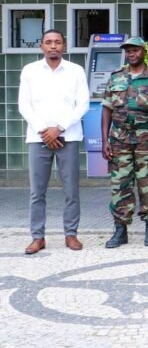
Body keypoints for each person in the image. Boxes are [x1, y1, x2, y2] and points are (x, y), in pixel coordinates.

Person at [19, 29, 89, 255]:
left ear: (64, 46)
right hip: (38, 138)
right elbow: (24, 105)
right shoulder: (30, 71)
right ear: (41, 46)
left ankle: (71, 234)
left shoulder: (76, 71)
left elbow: (82, 104)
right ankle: (37, 237)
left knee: (71, 190)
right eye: (48, 42)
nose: (53, 46)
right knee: (37, 191)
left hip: (67, 137)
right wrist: (44, 131)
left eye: (57, 42)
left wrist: (58, 128)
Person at [101, 36, 148, 249]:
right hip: (119, 140)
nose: (131, 54)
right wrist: (105, 140)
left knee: (147, 184)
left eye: (135, 50)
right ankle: (120, 230)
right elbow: (107, 109)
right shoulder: (116, 78)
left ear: (144, 51)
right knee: (120, 185)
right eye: (128, 51)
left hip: (146, 141)